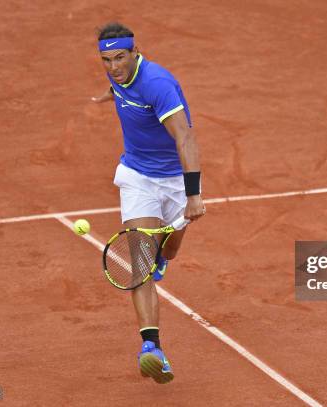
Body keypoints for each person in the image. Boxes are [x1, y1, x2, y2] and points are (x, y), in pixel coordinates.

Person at [92, 22, 205, 384]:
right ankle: (152, 347)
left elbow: (185, 138)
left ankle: (161, 257)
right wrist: (108, 94)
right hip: (137, 176)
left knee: (168, 253)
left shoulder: (157, 84)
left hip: (174, 182)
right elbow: (120, 87)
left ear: (135, 51)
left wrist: (193, 195)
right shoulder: (117, 76)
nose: (113, 66)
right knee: (140, 259)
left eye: (120, 57)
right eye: (106, 60)